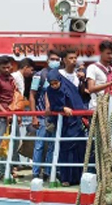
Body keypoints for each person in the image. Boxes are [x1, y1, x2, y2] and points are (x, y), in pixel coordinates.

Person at [45, 69, 87, 187]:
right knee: (64, 151)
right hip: (62, 125)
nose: (54, 86)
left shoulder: (68, 88)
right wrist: (62, 108)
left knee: (78, 150)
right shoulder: (50, 90)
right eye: (51, 84)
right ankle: (66, 178)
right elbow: (53, 106)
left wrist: (70, 110)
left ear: (60, 80)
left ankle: (78, 177)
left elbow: (76, 102)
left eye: (56, 83)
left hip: (74, 123)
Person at [30, 50, 61, 179]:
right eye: (52, 59)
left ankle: (48, 172)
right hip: (42, 116)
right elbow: (32, 95)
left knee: (52, 146)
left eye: (57, 59)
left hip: (55, 116)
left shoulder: (61, 75)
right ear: (47, 60)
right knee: (39, 145)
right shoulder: (39, 75)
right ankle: (35, 173)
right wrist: (34, 116)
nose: (55, 61)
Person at [0, 57, 16, 180]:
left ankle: (9, 169)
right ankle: (1, 171)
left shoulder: (12, 79)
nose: (6, 69)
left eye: (8, 67)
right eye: (3, 68)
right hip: (2, 117)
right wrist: (5, 113)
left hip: (13, 115)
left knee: (12, 144)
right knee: (1, 144)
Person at [86, 40, 112, 111]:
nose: (110, 56)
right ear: (101, 53)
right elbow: (91, 88)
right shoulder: (92, 67)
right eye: (108, 53)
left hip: (110, 107)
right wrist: (109, 84)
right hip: (96, 108)